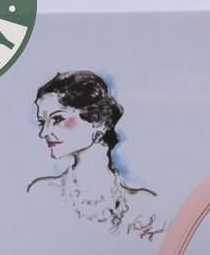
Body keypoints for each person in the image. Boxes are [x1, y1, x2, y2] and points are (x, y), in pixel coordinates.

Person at [27, 70, 165, 239]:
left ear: (97, 121)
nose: (44, 133)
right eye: (42, 122)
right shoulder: (42, 192)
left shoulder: (144, 204)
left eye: (57, 119)